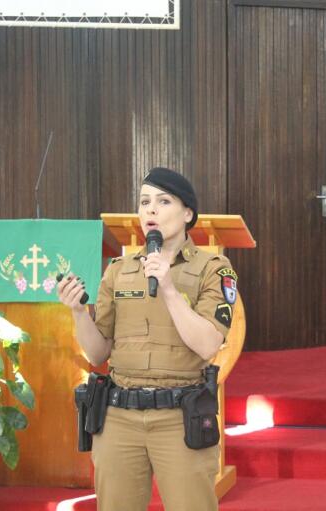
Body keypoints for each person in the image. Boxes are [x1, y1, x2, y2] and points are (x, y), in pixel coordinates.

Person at [58, 167, 237, 511]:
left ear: (188, 214)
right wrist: (78, 312)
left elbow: (207, 344)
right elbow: (97, 353)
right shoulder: (118, 270)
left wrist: (168, 288)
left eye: (163, 201)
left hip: (179, 418)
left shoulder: (214, 269)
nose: (151, 209)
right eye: (144, 202)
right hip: (119, 418)